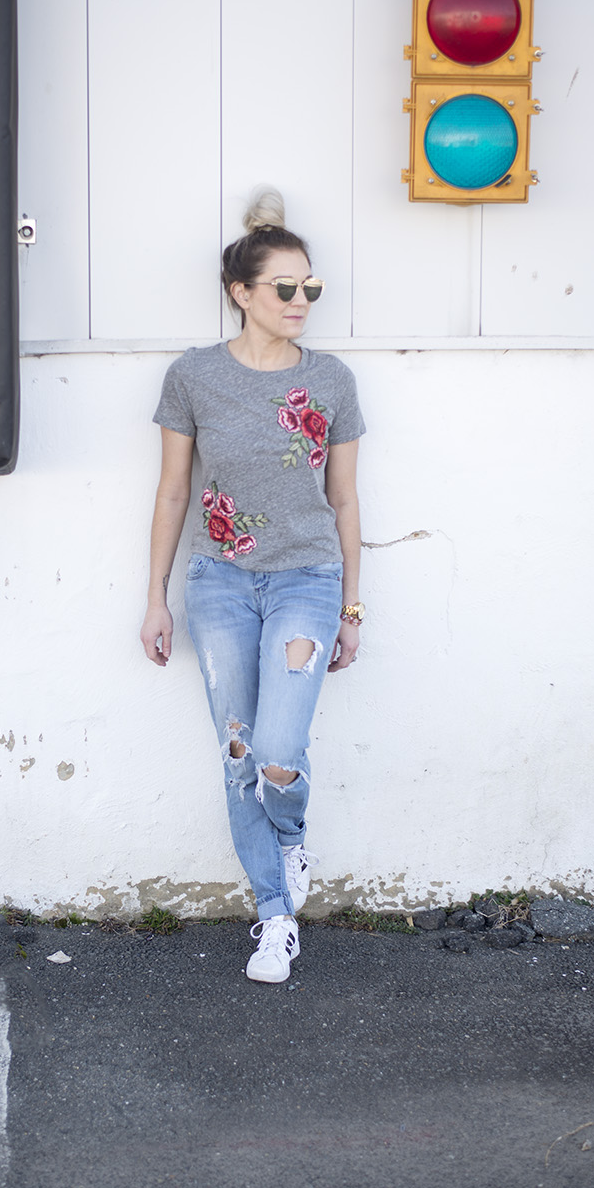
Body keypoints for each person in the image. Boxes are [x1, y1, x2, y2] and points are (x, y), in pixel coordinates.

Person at [140, 188, 365, 983]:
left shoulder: (331, 381)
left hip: (307, 578)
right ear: (242, 293)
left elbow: (344, 499)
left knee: (276, 752)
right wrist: (156, 595)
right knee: (237, 752)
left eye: (312, 289)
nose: (301, 301)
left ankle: (291, 831)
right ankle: (275, 916)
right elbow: (173, 490)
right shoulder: (194, 377)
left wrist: (351, 608)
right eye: (285, 289)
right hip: (220, 581)